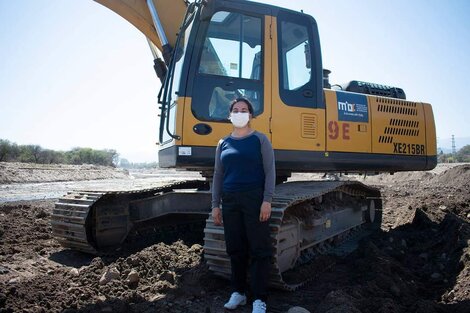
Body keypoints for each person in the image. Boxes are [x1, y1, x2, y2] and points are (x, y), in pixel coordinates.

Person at [211, 97, 275, 313]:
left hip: (254, 199)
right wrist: (215, 204)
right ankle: (238, 292)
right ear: (230, 115)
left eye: (244, 110)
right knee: (235, 248)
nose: (240, 113)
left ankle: (259, 298)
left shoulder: (260, 140)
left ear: (250, 115)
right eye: (236, 110)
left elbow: (270, 171)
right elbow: (218, 175)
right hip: (230, 200)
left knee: (259, 249)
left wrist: (267, 200)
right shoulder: (223, 143)